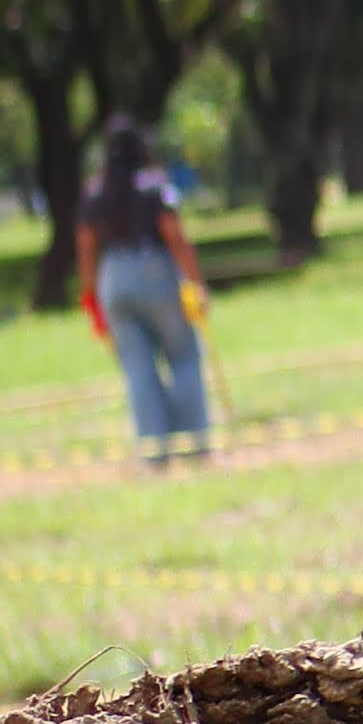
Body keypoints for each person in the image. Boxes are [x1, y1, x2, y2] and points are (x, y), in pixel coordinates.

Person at [75, 116, 215, 464]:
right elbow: (174, 235)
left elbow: (86, 244)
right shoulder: (154, 185)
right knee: (183, 356)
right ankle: (194, 442)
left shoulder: (95, 191)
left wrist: (90, 292)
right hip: (155, 272)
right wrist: (196, 282)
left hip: (113, 278)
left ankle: (154, 450)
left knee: (137, 367)